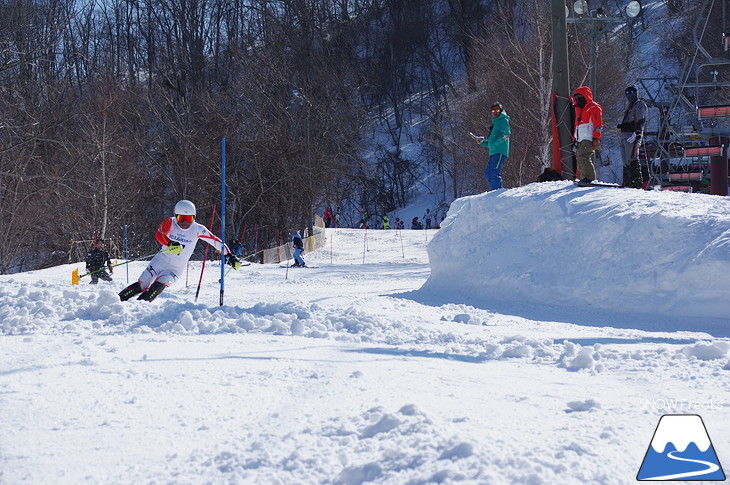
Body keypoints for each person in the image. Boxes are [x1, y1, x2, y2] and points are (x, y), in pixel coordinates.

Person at [118, 200, 240, 302]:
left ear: (194, 217)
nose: (185, 222)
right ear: (176, 216)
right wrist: (169, 243)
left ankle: (140, 306)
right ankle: (115, 301)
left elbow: (215, 241)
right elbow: (159, 234)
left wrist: (229, 255)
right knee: (142, 284)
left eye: (188, 218)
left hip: (175, 269)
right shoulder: (170, 222)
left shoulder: (198, 229)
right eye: (181, 218)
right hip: (160, 261)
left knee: (158, 286)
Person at [618, 85, 648, 188]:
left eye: (631, 93)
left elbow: (640, 120)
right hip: (624, 135)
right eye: (627, 94)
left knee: (632, 156)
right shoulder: (630, 107)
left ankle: (636, 180)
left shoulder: (639, 105)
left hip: (632, 135)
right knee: (625, 158)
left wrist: (637, 132)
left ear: (635, 94)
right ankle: (627, 180)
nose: (629, 96)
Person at [572, 86, 603, 183]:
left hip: (588, 137)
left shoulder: (594, 107)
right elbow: (577, 125)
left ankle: (589, 178)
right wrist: (575, 139)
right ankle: (585, 178)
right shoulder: (579, 109)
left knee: (584, 157)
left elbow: (598, 124)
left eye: (580, 97)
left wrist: (596, 138)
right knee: (580, 158)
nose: (578, 100)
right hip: (580, 138)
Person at [477, 102, 511, 190]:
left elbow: (506, 134)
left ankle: (497, 193)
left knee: (494, 173)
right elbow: (490, 143)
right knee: (488, 174)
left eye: (497, 110)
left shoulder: (503, 120)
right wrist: (481, 142)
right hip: (493, 152)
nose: (495, 112)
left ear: (501, 111)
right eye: (493, 110)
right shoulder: (495, 123)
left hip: (499, 151)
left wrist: (496, 143)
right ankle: (494, 192)